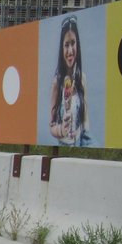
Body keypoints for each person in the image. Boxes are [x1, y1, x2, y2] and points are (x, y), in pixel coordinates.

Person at [48, 16, 92, 147]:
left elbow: (85, 120)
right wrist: (62, 129)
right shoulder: (57, 82)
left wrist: (87, 143)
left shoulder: (82, 78)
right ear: (62, 48)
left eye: (73, 43)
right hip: (64, 145)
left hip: (81, 143)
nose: (70, 51)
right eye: (66, 45)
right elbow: (52, 126)